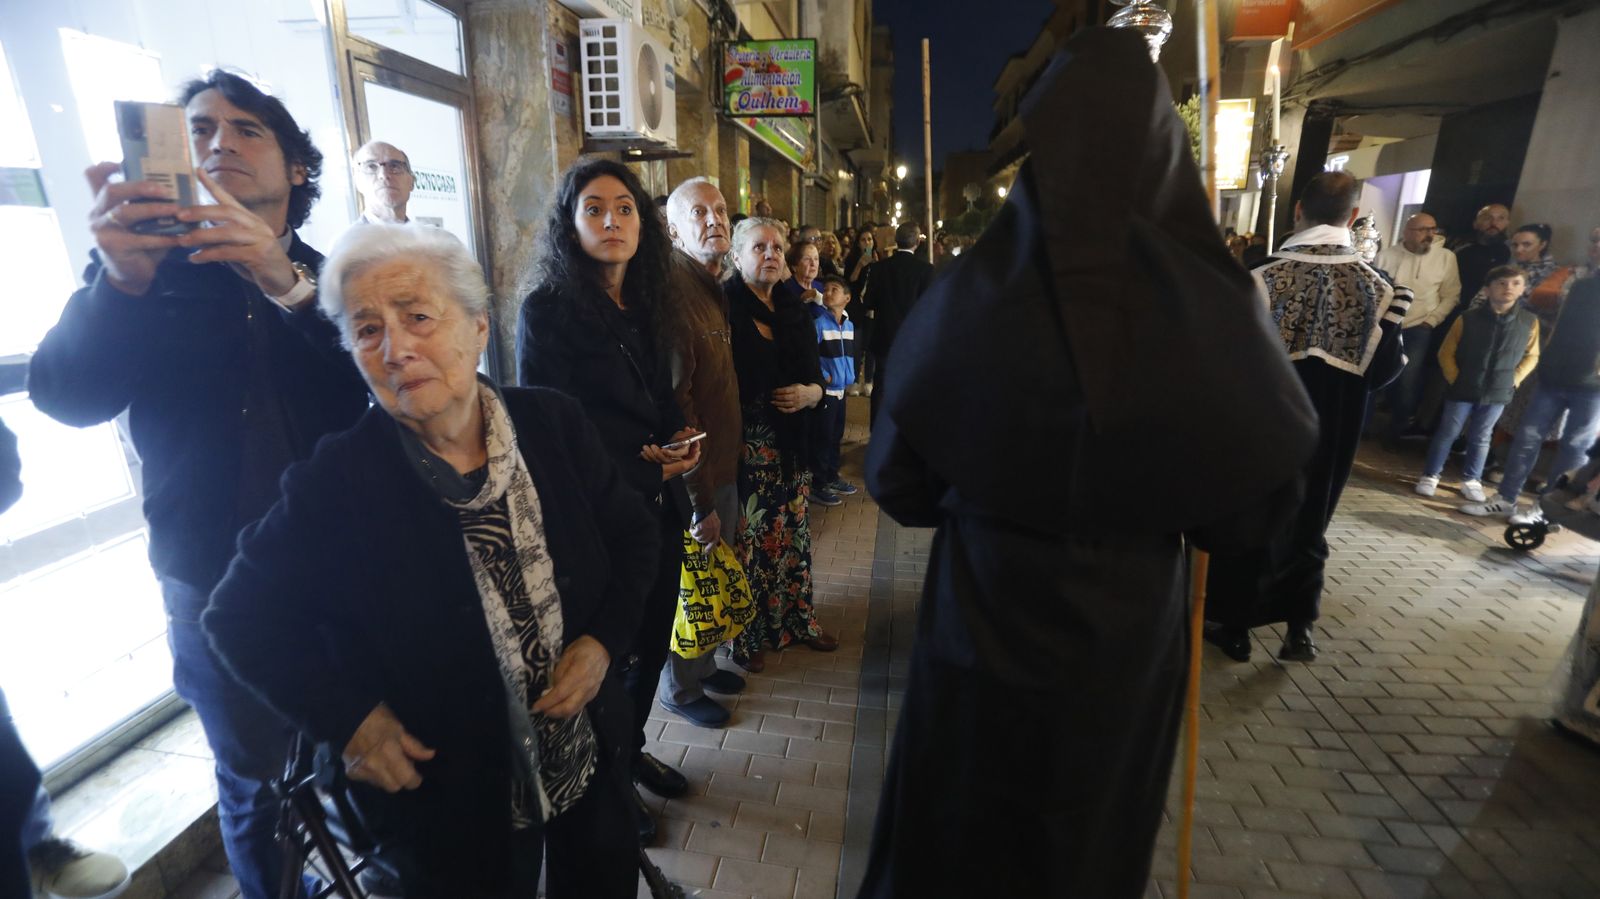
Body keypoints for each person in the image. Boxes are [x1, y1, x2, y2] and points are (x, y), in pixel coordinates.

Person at [857, 29, 1317, 898]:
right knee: (1084, 840)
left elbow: (898, 483)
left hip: (980, 614)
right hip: (1124, 628)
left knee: (958, 829)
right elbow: (1253, 517)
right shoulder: (1214, 306)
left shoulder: (970, 296)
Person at [204, 224, 651, 897]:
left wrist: (601, 642)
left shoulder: (553, 425)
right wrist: (347, 717)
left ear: (477, 327)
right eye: (367, 330)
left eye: (417, 316)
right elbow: (237, 617)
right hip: (451, 810)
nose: (395, 348)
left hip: (584, 761)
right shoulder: (338, 481)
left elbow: (636, 535)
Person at [26, 70, 369, 899]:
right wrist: (123, 282)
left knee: (351, 736)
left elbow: (366, 389)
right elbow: (66, 395)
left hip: (339, 563)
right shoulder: (147, 270)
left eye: (247, 129)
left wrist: (280, 279)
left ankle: (360, 859)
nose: (220, 143)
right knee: (250, 775)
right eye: (201, 130)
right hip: (211, 576)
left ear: (296, 166)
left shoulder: (334, 274)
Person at [516, 158, 700, 847]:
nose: (611, 222)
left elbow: (661, 397)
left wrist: (682, 435)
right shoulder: (549, 312)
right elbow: (547, 427)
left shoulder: (650, 303)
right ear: (570, 223)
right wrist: (639, 465)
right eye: (594, 209)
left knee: (652, 640)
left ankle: (632, 747)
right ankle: (608, 782)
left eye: (624, 208)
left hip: (656, 505)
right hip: (596, 516)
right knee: (611, 652)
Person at [1204, 171, 1411, 663]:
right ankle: (1300, 629)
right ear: (1355, 216)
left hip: (1266, 420)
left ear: (1299, 210)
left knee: (1255, 514)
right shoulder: (1382, 288)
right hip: (1336, 425)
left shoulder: (1257, 276)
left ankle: (1234, 627)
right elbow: (1384, 372)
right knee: (1312, 516)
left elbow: (1232, 359)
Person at [723, 217, 838, 673]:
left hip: (792, 446)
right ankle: (748, 635)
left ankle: (797, 620)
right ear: (736, 257)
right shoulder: (725, 309)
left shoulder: (794, 308)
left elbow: (818, 377)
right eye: (758, 248)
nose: (769, 254)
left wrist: (813, 394)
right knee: (750, 544)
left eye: (775, 247)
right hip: (748, 448)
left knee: (792, 538)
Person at [656, 175, 749, 727]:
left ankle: (706, 666)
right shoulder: (674, 297)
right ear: (673, 229)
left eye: (720, 210)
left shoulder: (711, 284)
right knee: (695, 576)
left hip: (723, 461)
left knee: (713, 572)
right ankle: (682, 689)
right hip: (700, 473)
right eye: (699, 213)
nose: (715, 220)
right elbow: (678, 408)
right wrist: (699, 502)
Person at [1461, 275, 1599, 520]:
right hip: (1554, 374)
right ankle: (1506, 498)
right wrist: (1547, 360)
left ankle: (1546, 510)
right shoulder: (1582, 284)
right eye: (1595, 240)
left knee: (1575, 446)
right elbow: (1561, 324)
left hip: (1592, 386)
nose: (1597, 246)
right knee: (1526, 436)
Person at [1414, 265, 1539, 502]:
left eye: (1515, 284)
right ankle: (1430, 475)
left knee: (1481, 436)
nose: (1508, 289)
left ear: (1524, 289)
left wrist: (1515, 378)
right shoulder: (1468, 318)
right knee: (1448, 431)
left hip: (1498, 389)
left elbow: (1532, 355)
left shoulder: (1529, 322)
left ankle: (1471, 479)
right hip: (1463, 385)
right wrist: (1455, 377)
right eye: (1501, 283)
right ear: (1487, 289)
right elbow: (1446, 351)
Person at [1376, 213, 1460, 442]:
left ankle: (1398, 430)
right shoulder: (1385, 256)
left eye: (1433, 229)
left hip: (1419, 328)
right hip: (1386, 326)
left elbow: (1451, 295)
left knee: (1408, 380)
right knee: (1379, 374)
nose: (1429, 234)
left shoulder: (1445, 258)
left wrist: (1431, 321)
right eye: (1422, 229)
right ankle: (1370, 427)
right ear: (1407, 231)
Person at [862, 222, 935, 422]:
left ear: (896, 240)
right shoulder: (925, 270)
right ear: (917, 241)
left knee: (881, 385)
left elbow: (868, 302)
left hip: (884, 335)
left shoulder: (879, 268)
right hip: (912, 339)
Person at [808, 273, 857, 507]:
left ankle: (831, 476)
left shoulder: (849, 325)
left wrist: (850, 376)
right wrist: (823, 376)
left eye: (834, 289)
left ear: (847, 298)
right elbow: (810, 355)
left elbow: (849, 354)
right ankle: (818, 483)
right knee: (823, 436)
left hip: (842, 390)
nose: (828, 293)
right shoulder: (819, 323)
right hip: (826, 391)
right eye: (825, 289)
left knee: (836, 434)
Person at [1452, 203, 1512, 305]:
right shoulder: (1462, 251)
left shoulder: (1512, 252)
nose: (1494, 223)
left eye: (1500, 218)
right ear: (1475, 223)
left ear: (1507, 223)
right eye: (1488, 218)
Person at [352, 140, 415, 225]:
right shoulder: (350, 238)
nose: (384, 175)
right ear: (358, 182)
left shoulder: (429, 237)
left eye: (394, 166)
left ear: (411, 181)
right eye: (371, 167)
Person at [784, 239, 823, 304]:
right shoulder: (786, 290)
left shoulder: (821, 287)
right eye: (807, 259)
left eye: (816, 259)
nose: (813, 264)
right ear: (794, 266)